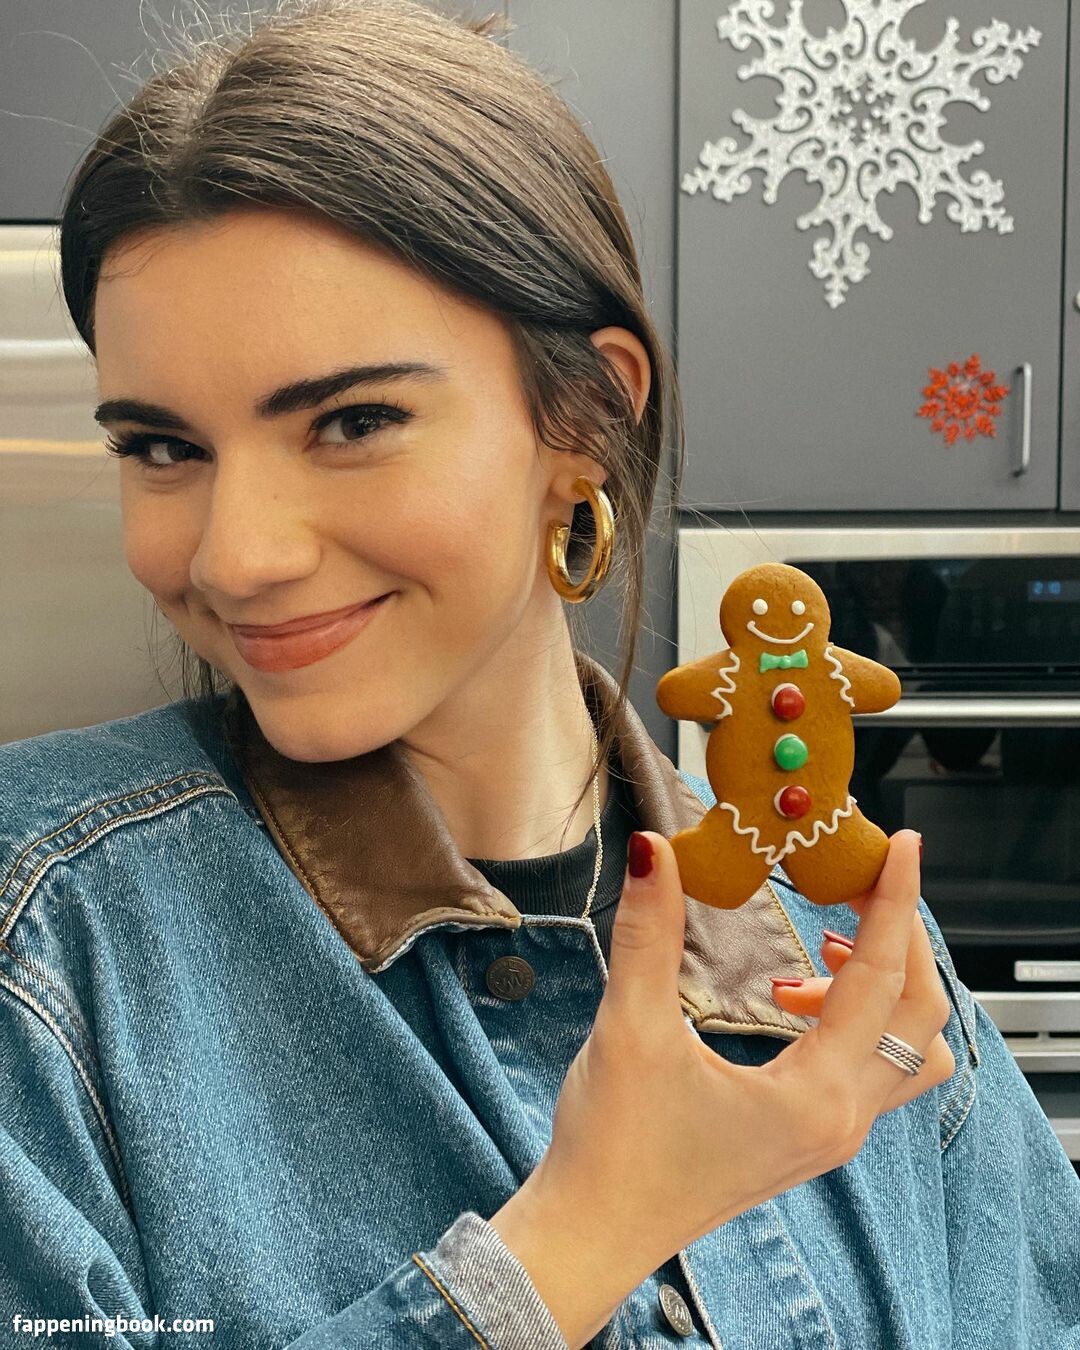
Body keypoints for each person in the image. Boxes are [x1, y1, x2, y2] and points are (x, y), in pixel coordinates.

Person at [2, 2, 1078, 1346]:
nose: (235, 556)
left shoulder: (850, 953)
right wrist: (579, 1236)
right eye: (163, 448)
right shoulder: (42, 944)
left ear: (585, 416)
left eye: (351, 421)